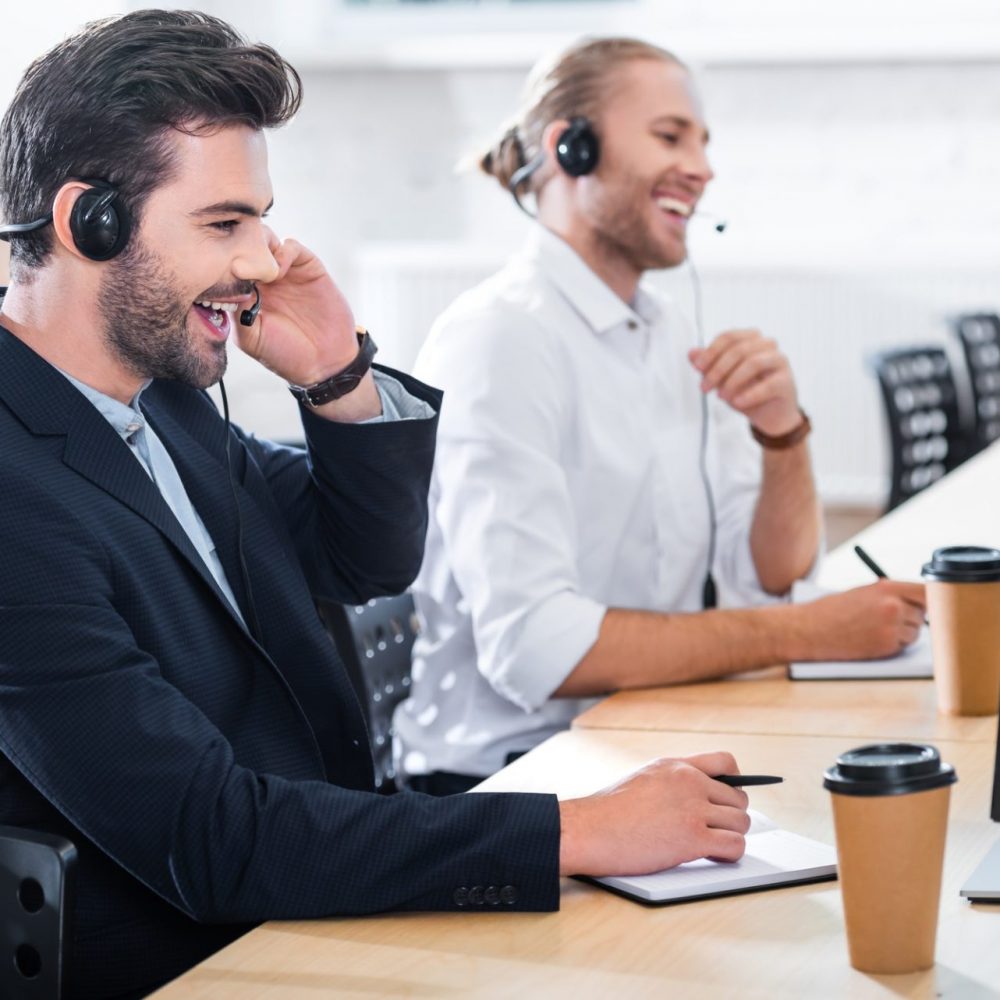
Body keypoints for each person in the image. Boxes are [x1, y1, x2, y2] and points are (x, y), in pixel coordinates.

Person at [0, 13, 753, 999]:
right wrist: (576, 832)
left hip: (321, 901)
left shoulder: (170, 408)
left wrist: (339, 380)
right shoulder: (16, 494)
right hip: (196, 958)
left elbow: (363, 561)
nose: (265, 261)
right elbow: (209, 836)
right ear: (86, 221)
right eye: (226, 223)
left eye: (261, 220)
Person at [395, 36, 926, 794]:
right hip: (508, 782)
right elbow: (539, 651)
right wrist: (811, 630)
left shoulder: (668, 330)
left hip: (638, 738)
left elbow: (765, 578)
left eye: (703, 143)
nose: (703, 168)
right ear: (571, 147)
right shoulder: (502, 337)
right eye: (670, 135)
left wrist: (783, 434)